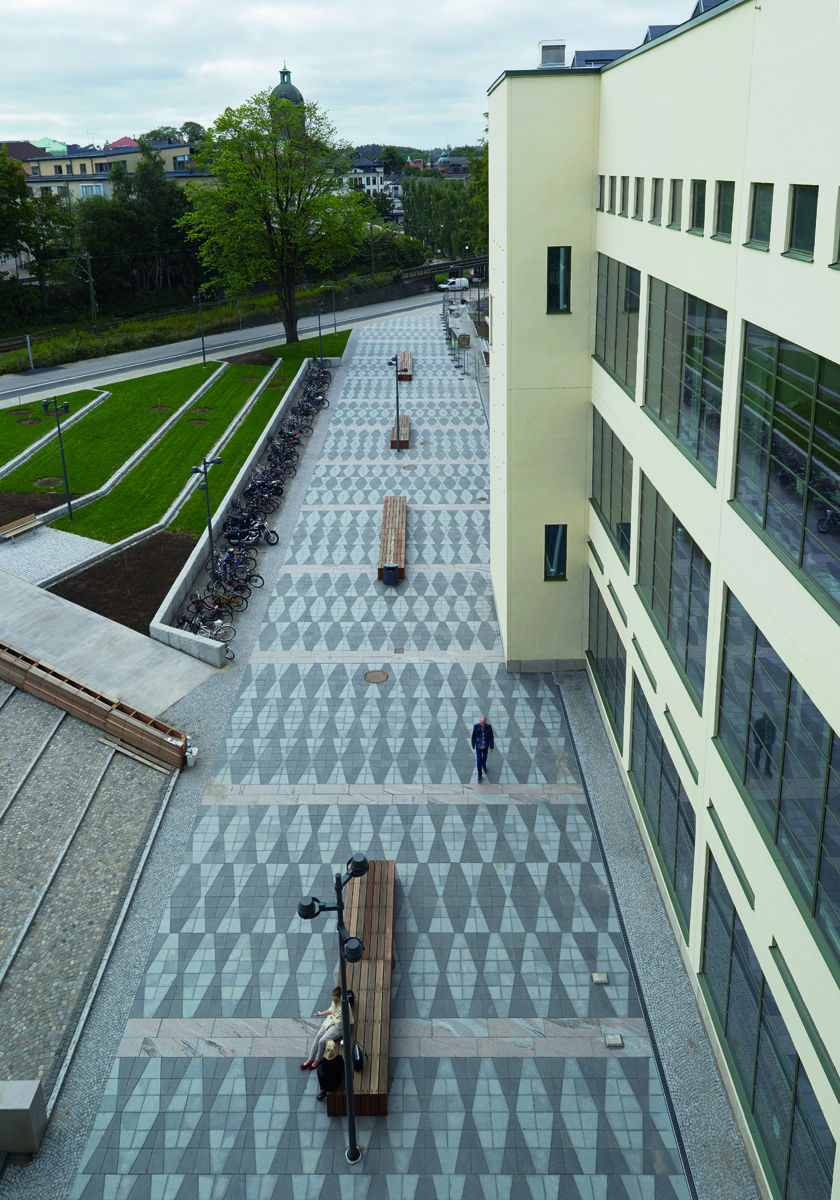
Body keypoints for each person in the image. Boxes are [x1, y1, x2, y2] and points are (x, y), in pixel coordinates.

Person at [300, 985, 353, 1070]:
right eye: (333, 1000)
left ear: (340, 997)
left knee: (322, 1041)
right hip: (331, 1021)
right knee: (318, 1037)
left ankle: (318, 1060)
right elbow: (331, 1010)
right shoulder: (334, 1002)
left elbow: (339, 1024)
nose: (334, 1002)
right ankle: (310, 1059)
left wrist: (332, 1017)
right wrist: (322, 1013)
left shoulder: (344, 1006)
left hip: (339, 1028)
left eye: (336, 1000)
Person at [471, 715, 495, 782]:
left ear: (485, 722)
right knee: (479, 761)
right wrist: (473, 744)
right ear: (480, 721)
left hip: (485, 746)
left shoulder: (489, 727)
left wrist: (491, 746)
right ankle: (479, 774)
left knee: (484, 757)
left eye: (483, 723)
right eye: (481, 723)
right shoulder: (476, 726)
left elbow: (491, 737)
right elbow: (473, 736)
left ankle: (484, 765)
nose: (482, 724)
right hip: (478, 746)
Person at [753, 710, 776, 778]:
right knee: (757, 751)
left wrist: (773, 739)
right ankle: (756, 762)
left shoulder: (772, 722)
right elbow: (755, 732)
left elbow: (773, 730)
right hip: (760, 741)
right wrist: (756, 742)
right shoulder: (758, 722)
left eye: (769, 718)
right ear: (764, 717)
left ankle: (767, 769)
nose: (769, 719)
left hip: (768, 741)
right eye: (767, 718)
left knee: (769, 755)